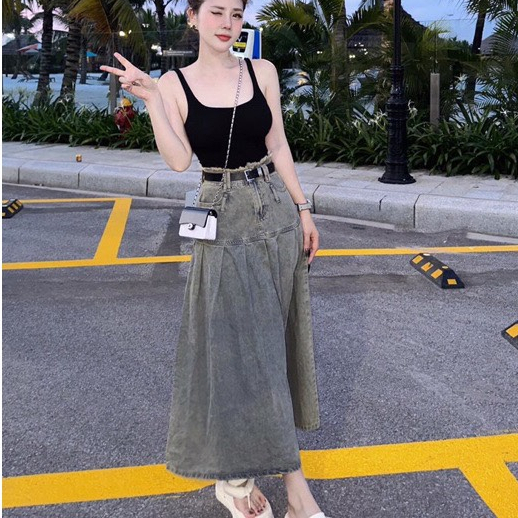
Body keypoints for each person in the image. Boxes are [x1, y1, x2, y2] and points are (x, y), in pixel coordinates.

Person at [100, 0, 329, 516]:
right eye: (217, 12)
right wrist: (153, 99)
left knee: (276, 347)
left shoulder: (262, 71)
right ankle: (291, 490)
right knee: (238, 352)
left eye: (236, 14)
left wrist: (303, 209)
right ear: (192, 16)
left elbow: (278, 145)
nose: (228, 24)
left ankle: (238, 479)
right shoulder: (174, 84)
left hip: (275, 214)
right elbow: (179, 160)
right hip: (222, 221)